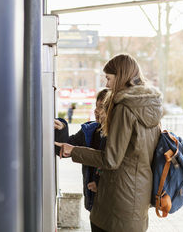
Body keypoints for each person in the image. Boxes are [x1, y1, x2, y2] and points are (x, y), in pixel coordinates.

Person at [55, 54, 163, 232]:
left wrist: (73, 151)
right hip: (138, 198)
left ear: (120, 76)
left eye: (108, 78)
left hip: (117, 202)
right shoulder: (150, 107)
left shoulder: (124, 107)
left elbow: (111, 159)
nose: (106, 84)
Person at [54, 89, 108, 212]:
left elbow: (119, 166)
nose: (96, 110)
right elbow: (64, 149)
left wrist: (101, 185)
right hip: (92, 201)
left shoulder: (119, 135)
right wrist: (62, 128)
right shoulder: (89, 130)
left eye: (101, 107)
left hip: (112, 203)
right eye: (96, 106)